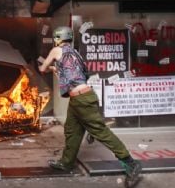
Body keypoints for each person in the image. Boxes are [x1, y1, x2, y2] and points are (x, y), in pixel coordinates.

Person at [38, 26, 141, 187]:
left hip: (82, 100)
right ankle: (66, 163)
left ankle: (130, 162)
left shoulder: (56, 50)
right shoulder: (76, 54)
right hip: (81, 97)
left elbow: (43, 69)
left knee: (100, 131)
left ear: (58, 38)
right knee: (72, 130)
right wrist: (57, 68)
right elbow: (81, 74)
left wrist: (46, 66)